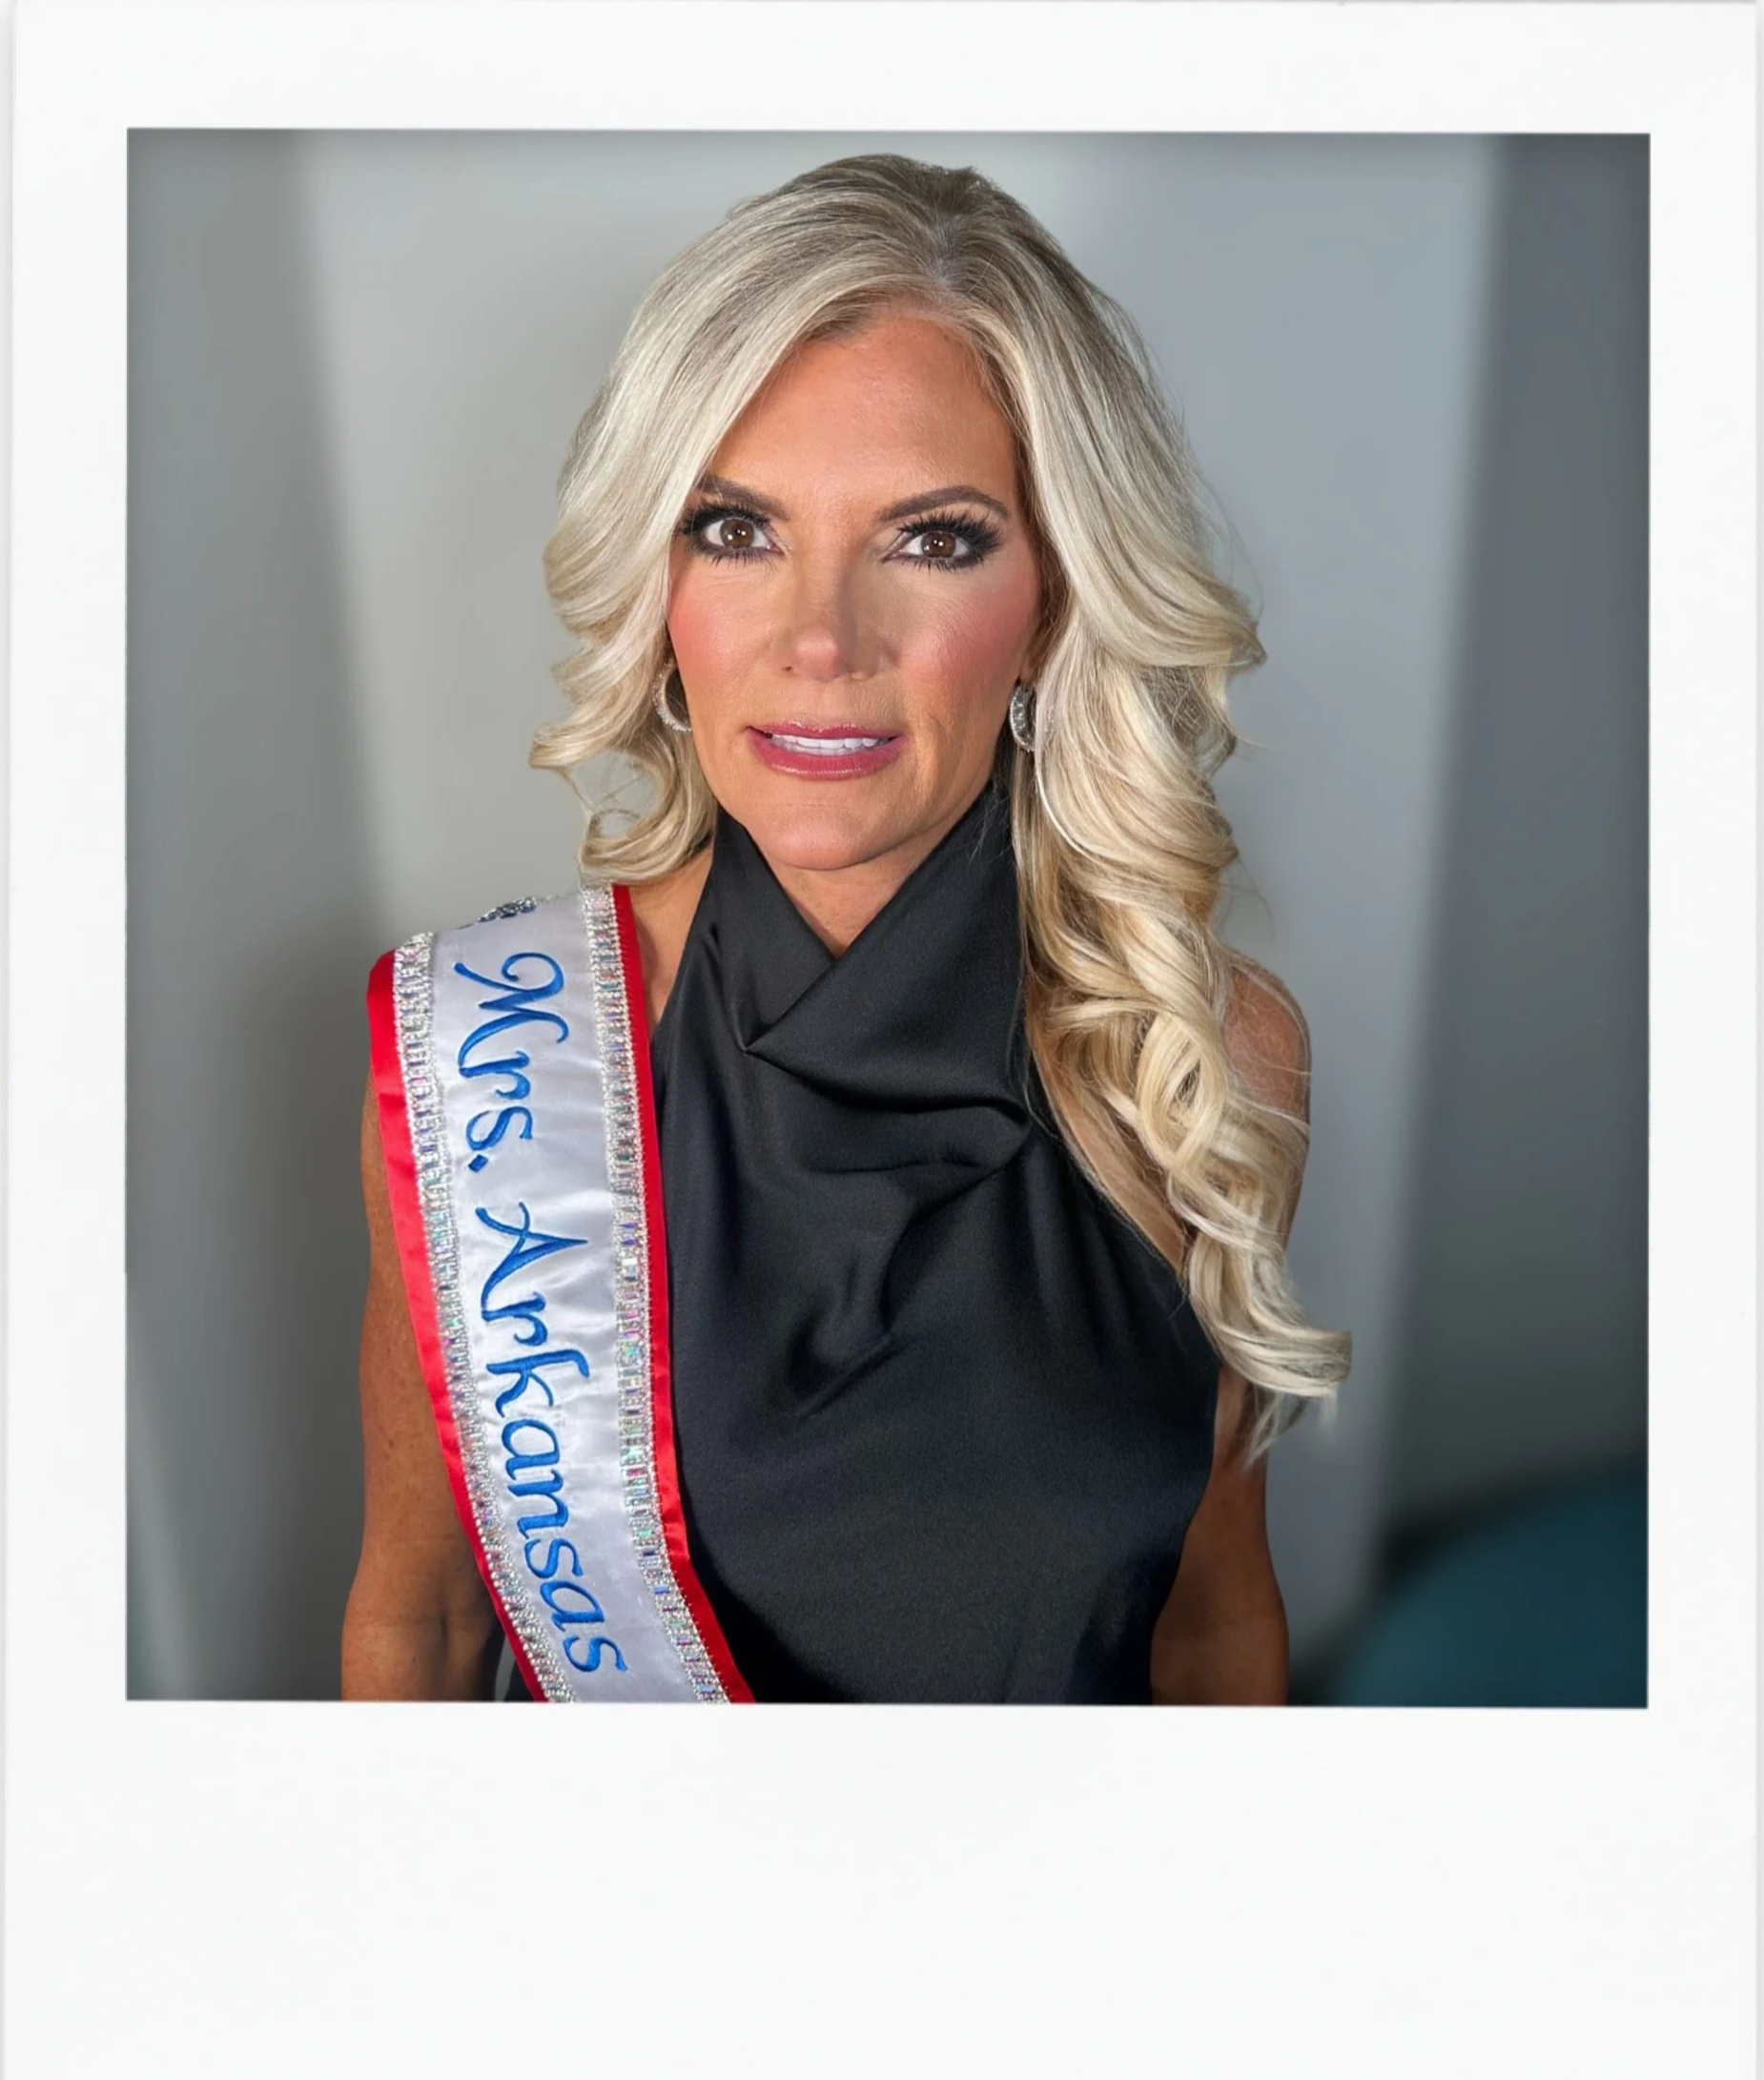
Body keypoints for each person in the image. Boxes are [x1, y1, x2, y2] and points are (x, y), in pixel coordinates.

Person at [340, 154, 1350, 1705]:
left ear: (1057, 606)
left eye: (931, 538)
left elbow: (1212, 1619)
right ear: (655, 591)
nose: (819, 641)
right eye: (735, 530)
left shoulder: (1205, 1058)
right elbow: (421, 1626)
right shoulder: (495, 1057)